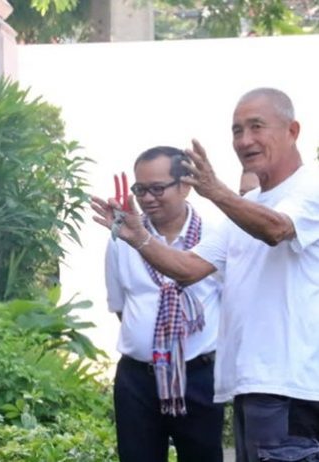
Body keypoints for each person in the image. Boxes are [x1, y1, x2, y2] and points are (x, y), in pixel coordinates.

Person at [91, 87, 319, 462]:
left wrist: (216, 192)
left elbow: (277, 229)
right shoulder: (249, 205)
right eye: (236, 130)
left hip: (292, 386)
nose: (244, 140)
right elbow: (189, 269)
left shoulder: (310, 188)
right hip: (251, 386)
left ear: (292, 130)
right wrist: (139, 237)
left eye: (256, 126)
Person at [106, 147, 224, 462]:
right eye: (140, 190)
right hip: (137, 380)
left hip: (199, 376)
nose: (147, 198)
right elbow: (121, 306)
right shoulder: (122, 237)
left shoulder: (216, 235)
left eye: (157, 189)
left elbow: (231, 305)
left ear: (185, 186)